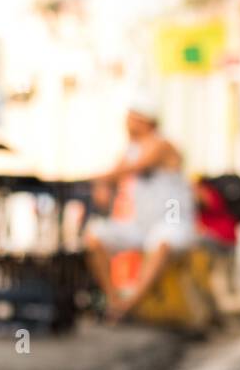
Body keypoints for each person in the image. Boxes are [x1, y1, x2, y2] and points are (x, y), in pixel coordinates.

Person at [83, 100, 197, 323]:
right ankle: (114, 301)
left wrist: (100, 178)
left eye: (131, 117)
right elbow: (116, 172)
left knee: (161, 242)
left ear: (144, 120)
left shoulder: (162, 144)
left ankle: (130, 305)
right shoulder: (130, 150)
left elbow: (134, 167)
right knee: (95, 236)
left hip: (173, 222)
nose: (126, 123)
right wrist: (103, 187)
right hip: (141, 224)